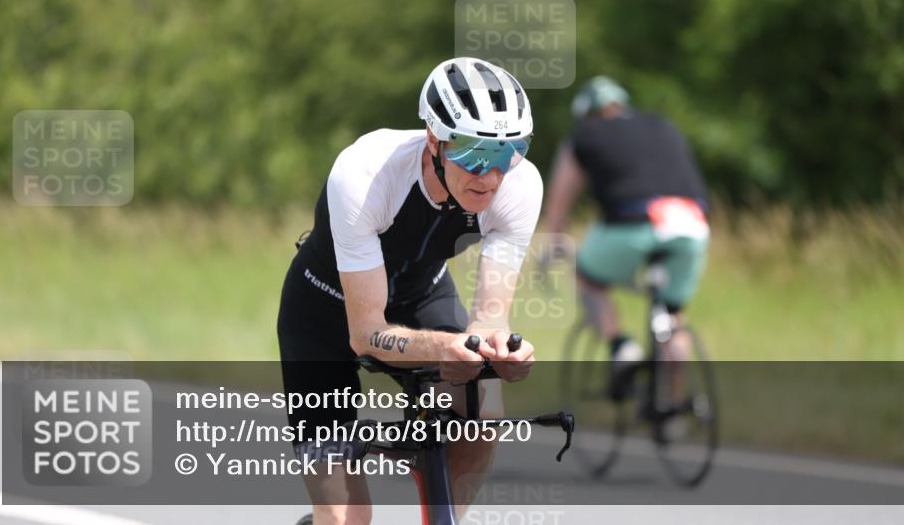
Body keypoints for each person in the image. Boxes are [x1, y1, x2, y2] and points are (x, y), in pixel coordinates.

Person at [278, 57, 542, 525]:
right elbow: (366, 335)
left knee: (484, 411)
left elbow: (489, 321)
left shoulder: (520, 187)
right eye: (474, 154)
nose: (491, 175)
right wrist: (449, 347)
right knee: (347, 518)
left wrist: (498, 349)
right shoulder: (365, 173)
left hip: (422, 296)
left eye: (509, 152)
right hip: (324, 312)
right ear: (434, 140)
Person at [542, 75, 709, 364]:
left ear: (586, 115)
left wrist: (554, 243)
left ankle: (621, 348)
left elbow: (560, 199)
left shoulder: (585, 135)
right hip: (690, 224)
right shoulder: (662, 125)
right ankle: (673, 403)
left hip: (633, 224)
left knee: (587, 278)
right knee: (673, 315)